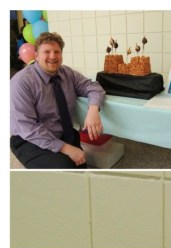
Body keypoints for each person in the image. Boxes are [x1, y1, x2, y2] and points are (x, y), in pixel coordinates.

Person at [10, 32, 106, 169]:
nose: (53, 56)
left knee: (81, 170)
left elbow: (94, 87)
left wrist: (93, 109)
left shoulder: (67, 73)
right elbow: (27, 127)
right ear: (36, 55)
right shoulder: (21, 82)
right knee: (64, 169)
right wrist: (66, 149)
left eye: (57, 51)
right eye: (47, 52)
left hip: (62, 134)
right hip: (29, 139)